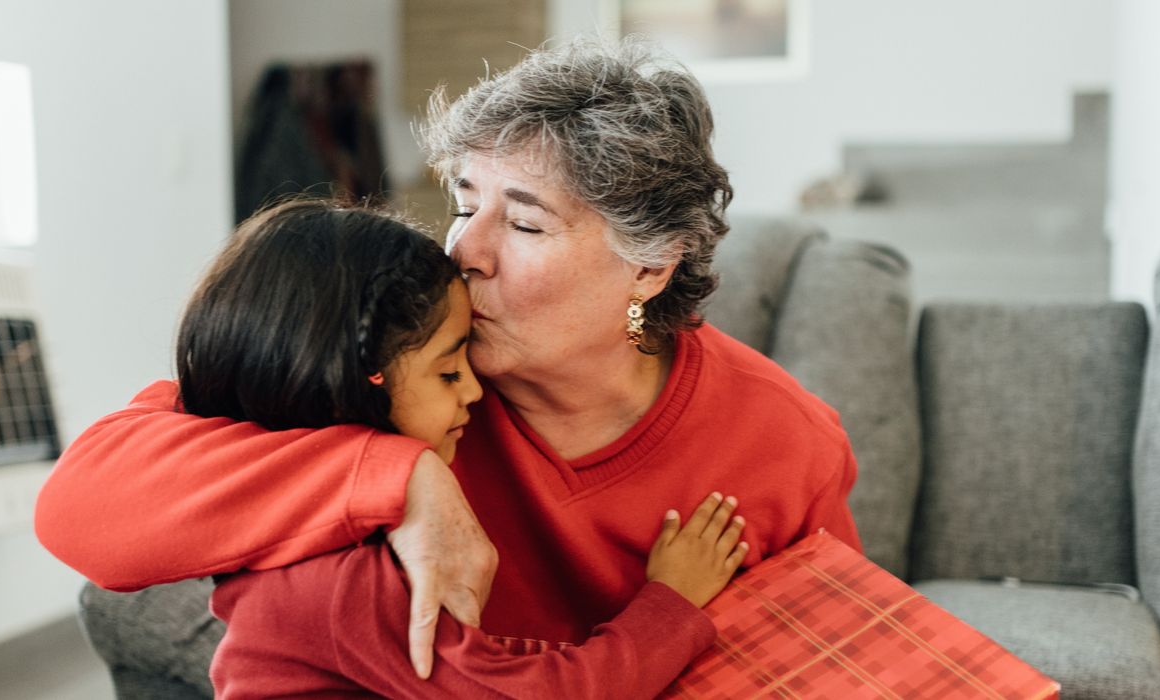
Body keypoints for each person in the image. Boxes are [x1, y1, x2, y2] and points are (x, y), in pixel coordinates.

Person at [36, 36, 862, 682]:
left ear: (649, 264)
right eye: (464, 202)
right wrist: (401, 480)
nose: (464, 248)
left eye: (526, 223)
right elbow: (79, 512)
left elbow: (834, 665)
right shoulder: (401, 362)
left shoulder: (784, 442)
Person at [164, 197, 748, 697]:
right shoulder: (344, 582)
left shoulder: (317, 523)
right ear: (349, 387)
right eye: (448, 374)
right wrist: (672, 600)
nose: (474, 389)